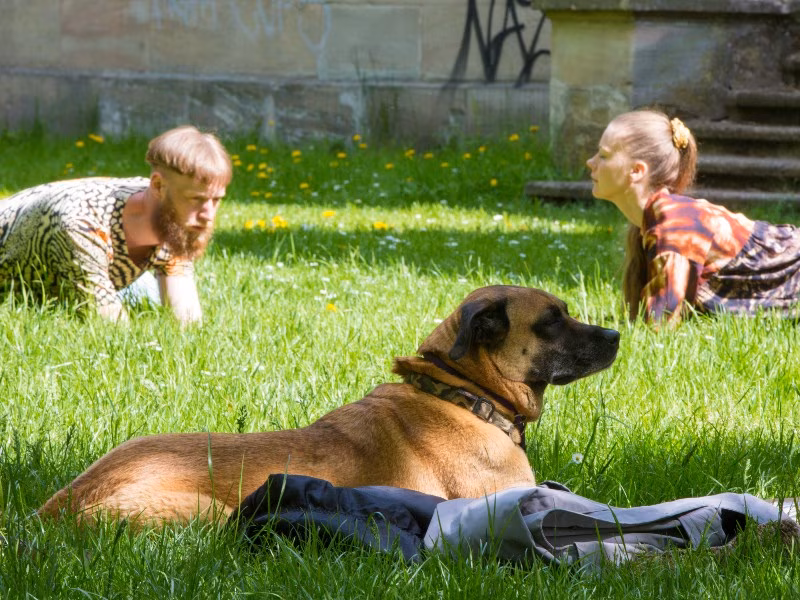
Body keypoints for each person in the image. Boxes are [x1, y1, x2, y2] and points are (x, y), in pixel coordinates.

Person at [586, 109, 800, 326]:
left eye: (603, 155)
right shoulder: (660, 219)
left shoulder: (676, 227)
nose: (590, 162)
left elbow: (660, 325)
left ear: (636, 171)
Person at [0, 125, 231, 324]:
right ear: (158, 186)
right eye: (197, 199)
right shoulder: (82, 224)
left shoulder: (172, 214)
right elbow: (112, 333)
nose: (208, 215)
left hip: (99, 267)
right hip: (21, 270)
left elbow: (188, 322)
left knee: (145, 297)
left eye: (216, 200)